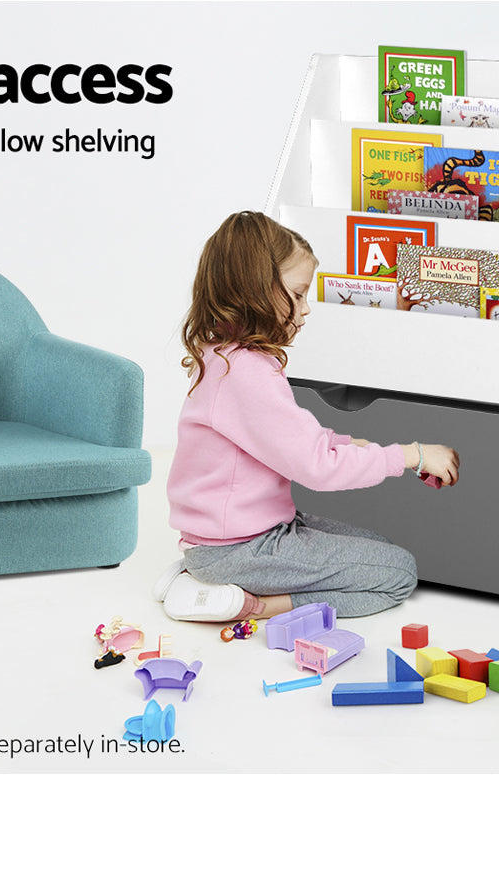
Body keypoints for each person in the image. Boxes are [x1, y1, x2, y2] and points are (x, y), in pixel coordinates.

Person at [155, 210, 459, 622]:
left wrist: (349, 445)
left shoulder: (226, 357)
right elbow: (317, 468)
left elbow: (290, 440)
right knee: (397, 573)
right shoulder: (246, 374)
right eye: (298, 295)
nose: (306, 308)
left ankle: (199, 575)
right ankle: (251, 604)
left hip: (242, 534)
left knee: (378, 547)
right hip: (239, 547)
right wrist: (412, 455)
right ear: (255, 291)